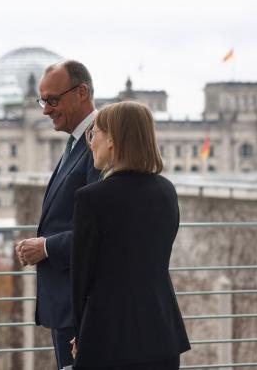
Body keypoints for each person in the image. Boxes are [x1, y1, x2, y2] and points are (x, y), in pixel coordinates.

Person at [71, 101, 190, 369]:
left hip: (107, 339)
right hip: (162, 334)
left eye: (94, 134)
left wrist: (81, 334)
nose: (91, 143)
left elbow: (81, 280)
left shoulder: (91, 199)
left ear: (112, 140)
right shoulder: (166, 191)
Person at [16, 60, 100, 370]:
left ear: (81, 92)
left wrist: (45, 246)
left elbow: (100, 229)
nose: (45, 110)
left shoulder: (98, 142)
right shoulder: (75, 142)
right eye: (42, 101)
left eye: (53, 100)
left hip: (81, 303)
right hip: (66, 301)